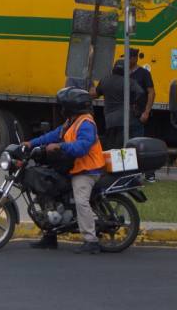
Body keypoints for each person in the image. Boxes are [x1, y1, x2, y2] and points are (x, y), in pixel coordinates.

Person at [24, 87, 106, 254]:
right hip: (72, 167)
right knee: (46, 190)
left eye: (64, 106)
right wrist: (31, 143)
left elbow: (82, 148)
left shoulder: (86, 123)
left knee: (81, 201)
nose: (62, 109)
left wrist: (60, 147)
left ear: (72, 107)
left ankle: (91, 241)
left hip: (87, 170)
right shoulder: (71, 122)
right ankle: (50, 236)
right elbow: (52, 136)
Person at [92, 58, 145, 150]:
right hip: (126, 120)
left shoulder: (105, 80)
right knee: (128, 146)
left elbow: (95, 94)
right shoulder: (129, 82)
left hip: (110, 120)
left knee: (112, 147)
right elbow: (140, 92)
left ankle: (113, 163)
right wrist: (136, 106)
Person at [128, 48, 157, 181]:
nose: (126, 60)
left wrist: (146, 111)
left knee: (140, 145)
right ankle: (130, 173)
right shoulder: (122, 73)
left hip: (138, 114)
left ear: (135, 58)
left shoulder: (144, 73)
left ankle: (150, 173)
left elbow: (151, 92)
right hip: (124, 114)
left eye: (129, 57)